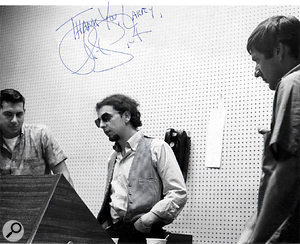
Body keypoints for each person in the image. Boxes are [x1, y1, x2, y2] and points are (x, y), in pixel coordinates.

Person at [238, 15, 300, 243]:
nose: (256, 72)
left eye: (257, 60)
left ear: (279, 51)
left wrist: (256, 240)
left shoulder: (292, 83)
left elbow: (287, 175)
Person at [95, 94, 187, 243]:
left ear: (126, 116)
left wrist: (148, 219)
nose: (101, 125)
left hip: (145, 234)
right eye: (98, 121)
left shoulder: (157, 148)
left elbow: (178, 193)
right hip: (116, 234)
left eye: (106, 118)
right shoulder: (113, 157)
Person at [0, 89, 74, 187]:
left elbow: (64, 177)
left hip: (40, 201)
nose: (14, 120)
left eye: (19, 114)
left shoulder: (41, 134)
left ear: (24, 112)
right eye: (8, 114)